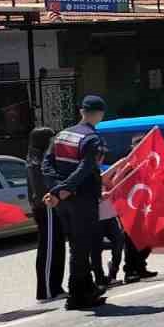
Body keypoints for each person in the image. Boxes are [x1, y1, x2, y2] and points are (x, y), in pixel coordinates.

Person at [42, 93, 109, 310]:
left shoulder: (61, 135)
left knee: (77, 245)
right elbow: (85, 168)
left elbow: (46, 165)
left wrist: (56, 189)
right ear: (100, 114)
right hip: (82, 198)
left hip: (64, 201)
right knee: (81, 247)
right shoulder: (92, 138)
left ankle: (88, 289)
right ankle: (77, 296)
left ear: (81, 111)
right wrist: (66, 189)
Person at [27, 126, 65, 303]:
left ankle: (55, 287)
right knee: (49, 248)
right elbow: (42, 186)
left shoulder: (38, 157)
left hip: (48, 205)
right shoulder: (38, 160)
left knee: (56, 246)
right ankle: (48, 290)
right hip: (47, 206)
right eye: (51, 138)